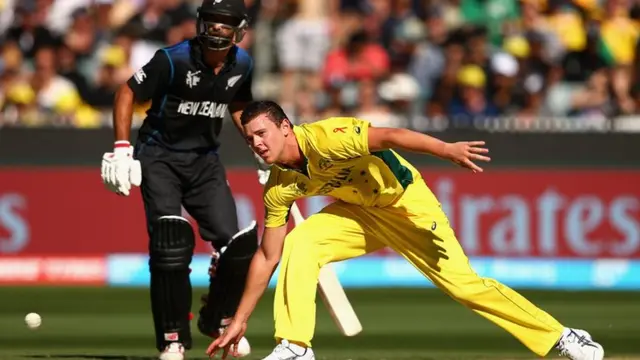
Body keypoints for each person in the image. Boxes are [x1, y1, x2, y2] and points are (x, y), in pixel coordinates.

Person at [206, 100, 605, 360]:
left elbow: (391, 136)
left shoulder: (328, 137)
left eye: (262, 134)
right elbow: (267, 256)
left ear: (286, 127)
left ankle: (563, 337)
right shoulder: (280, 185)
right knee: (301, 242)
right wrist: (241, 317)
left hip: (406, 205)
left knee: (464, 286)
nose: (256, 144)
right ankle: (295, 345)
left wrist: (447, 150)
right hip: (361, 214)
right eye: (250, 138)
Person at [99, 1, 262, 359]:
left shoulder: (244, 64)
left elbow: (239, 103)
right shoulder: (172, 59)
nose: (218, 29)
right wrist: (123, 147)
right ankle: (172, 339)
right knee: (170, 243)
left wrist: (259, 145)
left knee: (237, 247)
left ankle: (218, 318)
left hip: (205, 162)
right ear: (201, 23)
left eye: (227, 24)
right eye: (213, 22)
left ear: (239, 30)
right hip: (160, 158)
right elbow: (127, 92)